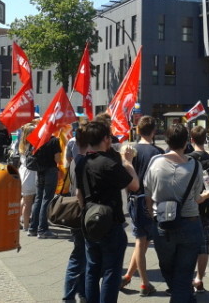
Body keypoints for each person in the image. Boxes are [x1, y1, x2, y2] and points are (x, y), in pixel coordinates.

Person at [144, 123, 209, 302]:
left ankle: (181, 294)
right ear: (186, 143)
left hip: (162, 224)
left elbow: (147, 192)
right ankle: (184, 295)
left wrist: (152, 215)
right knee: (185, 270)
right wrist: (203, 197)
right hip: (190, 223)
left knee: (167, 267)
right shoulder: (195, 166)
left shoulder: (155, 162)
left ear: (166, 140)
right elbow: (196, 195)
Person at [75, 120, 139, 303]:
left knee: (92, 269)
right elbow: (134, 185)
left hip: (89, 221)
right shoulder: (109, 164)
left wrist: (86, 212)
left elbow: (79, 194)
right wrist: (128, 162)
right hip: (110, 222)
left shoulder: (82, 162)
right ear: (106, 139)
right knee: (111, 271)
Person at [120, 115, 163, 297]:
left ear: (137, 130)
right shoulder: (158, 152)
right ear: (154, 131)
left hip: (134, 199)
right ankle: (145, 283)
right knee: (141, 241)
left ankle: (128, 275)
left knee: (142, 241)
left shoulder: (131, 150)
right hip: (151, 200)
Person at [187, 125, 209, 294]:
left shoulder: (189, 159)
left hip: (191, 209)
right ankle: (199, 279)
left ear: (191, 140)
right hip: (207, 209)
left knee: (189, 245)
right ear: (205, 139)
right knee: (204, 245)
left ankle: (188, 278)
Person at [62, 121, 89, 303]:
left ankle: (81, 291)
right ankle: (69, 295)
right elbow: (80, 193)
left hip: (80, 214)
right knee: (79, 255)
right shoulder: (81, 161)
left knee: (83, 256)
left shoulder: (75, 160)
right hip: (82, 214)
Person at [28, 134, 62, 239]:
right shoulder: (54, 141)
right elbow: (57, 159)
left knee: (38, 199)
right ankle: (42, 229)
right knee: (47, 199)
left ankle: (33, 228)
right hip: (50, 171)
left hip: (39, 171)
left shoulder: (36, 138)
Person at [17, 123, 37, 231]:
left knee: (24, 199)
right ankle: (25, 225)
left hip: (23, 171)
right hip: (29, 173)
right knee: (28, 201)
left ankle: (18, 221)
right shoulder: (31, 145)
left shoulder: (22, 143)